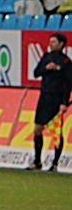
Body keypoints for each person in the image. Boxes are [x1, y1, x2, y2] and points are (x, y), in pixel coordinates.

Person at [28, 32, 72, 172]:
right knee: (38, 129)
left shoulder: (66, 62)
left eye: (53, 42)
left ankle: (55, 163)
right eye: (50, 41)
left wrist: (65, 102)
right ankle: (37, 161)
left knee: (56, 132)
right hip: (44, 96)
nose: (50, 44)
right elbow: (36, 72)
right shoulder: (46, 57)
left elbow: (68, 83)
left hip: (57, 99)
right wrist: (45, 69)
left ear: (61, 44)